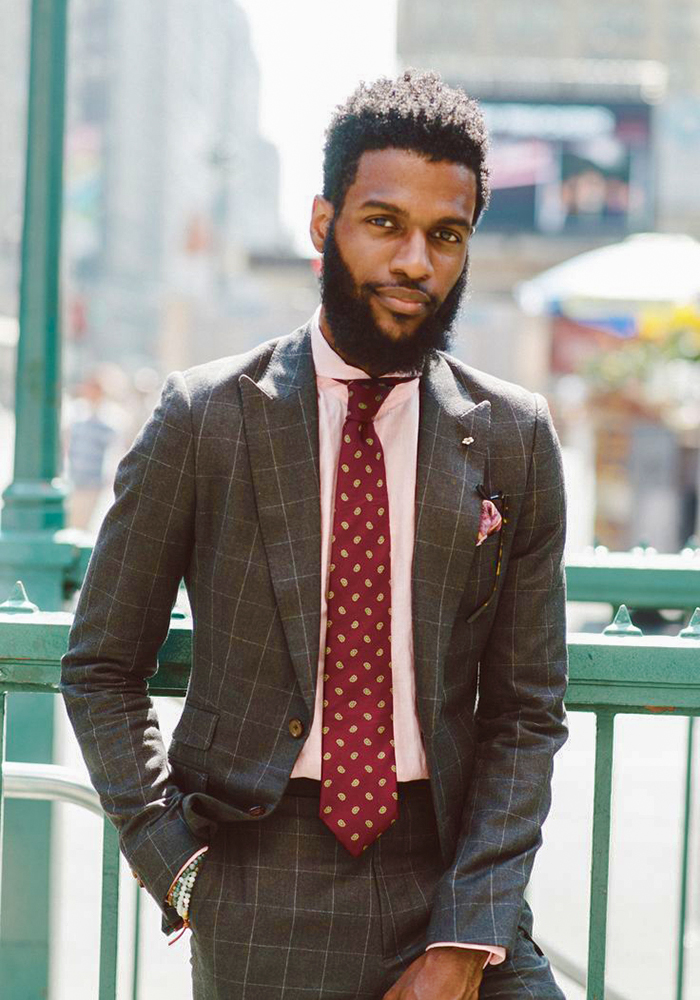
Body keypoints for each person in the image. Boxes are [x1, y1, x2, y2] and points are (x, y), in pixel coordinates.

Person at [60, 70, 568, 999]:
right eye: (384, 223)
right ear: (321, 222)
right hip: (262, 872)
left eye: (445, 235)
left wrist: (469, 932)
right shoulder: (205, 416)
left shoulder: (513, 433)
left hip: (452, 867)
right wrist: (172, 862)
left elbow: (527, 709)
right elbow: (100, 663)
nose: (416, 260)